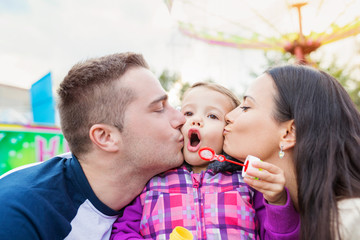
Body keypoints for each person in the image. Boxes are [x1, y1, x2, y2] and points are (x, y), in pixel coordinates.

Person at [0, 52, 186, 240]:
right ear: (106, 137)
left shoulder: (179, 185)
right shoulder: (18, 213)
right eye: (159, 108)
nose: (181, 118)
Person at [111, 82, 300, 239]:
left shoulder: (248, 183)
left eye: (212, 116)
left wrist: (277, 202)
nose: (196, 121)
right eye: (188, 113)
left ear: (227, 132)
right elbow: (122, 231)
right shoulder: (152, 180)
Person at [223, 64, 360, 240]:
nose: (228, 116)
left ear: (289, 133)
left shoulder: (351, 222)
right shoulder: (249, 205)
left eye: (246, 107)